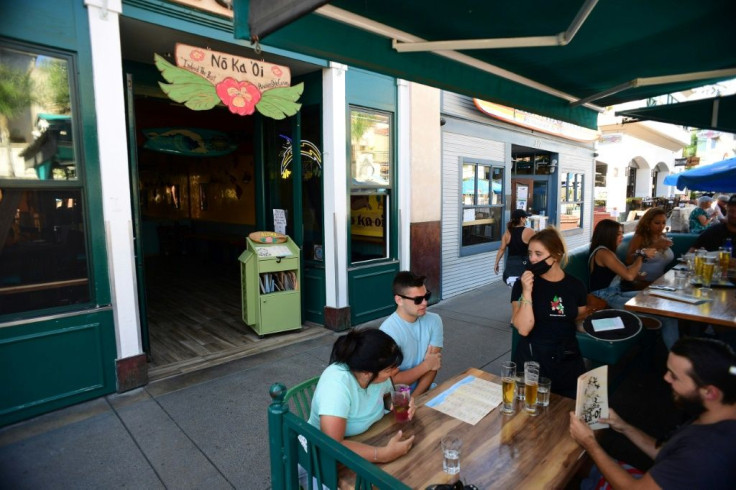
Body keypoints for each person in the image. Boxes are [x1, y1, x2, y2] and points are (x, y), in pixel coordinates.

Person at [569, 337, 736, 489]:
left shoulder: (703, 455)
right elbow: (668, 452)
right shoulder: (715, 414)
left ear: (709, 392)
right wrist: (624, 427)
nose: (665, 378)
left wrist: (589, 442)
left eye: (674, 376)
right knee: (587, 466)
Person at [308, 328, 415, 464]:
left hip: (367, 439)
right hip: (320, 458)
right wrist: (383, 454)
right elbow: (333, 445)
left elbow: (384, 396)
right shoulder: (336, 386)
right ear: (366, 373)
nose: (395, 372)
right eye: (390, 369)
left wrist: (398, 404)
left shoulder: (376, 376)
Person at [510, 227, 586, 398]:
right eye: (530, 254)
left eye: (538, 254)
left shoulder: (576, 286)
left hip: (567, 361)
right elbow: (523, 328)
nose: (532, 259)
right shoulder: (521, 284)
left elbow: (578, 317)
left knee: (567, 415)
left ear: (557, 255)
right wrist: (527, 292)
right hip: (532, 361)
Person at [624, 209, 681, 348]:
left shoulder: (663, 236)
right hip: (641, 284)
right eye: (657, 223)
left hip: (660, 284)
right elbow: (629, 258)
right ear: (648, 223)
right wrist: (654, 246)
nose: (661, 226)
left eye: (663, 223)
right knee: (673, 309)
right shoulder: (640, 237)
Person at [380, 271, 443, 396]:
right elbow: (391, 381)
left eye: (426, 296)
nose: (425, 303)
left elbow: (434, 365)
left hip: (424, 393)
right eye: (418, 300)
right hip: (395, 400)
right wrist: (426, 365)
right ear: (399, 300)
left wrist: (415, 399)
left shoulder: (435, 320)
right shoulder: (387, 333)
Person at [588, 219, 654, 310]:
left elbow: (623, 272)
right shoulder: (603, 252)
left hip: (615, 293)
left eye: (622, 233)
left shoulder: (607, 251)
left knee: (652, 296)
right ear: (608, 235)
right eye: (618, 234)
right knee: (651, 306)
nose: (622, 236)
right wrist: (641, 255)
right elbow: (629, 276)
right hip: (604, 298)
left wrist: (637, 275)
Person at [494, 209, 535, 286]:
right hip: (524, 267)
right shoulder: (529, 231)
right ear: (521, 219)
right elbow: (538, 246)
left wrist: (496, 263)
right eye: (525, 218)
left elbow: (502, 249)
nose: (526, 220)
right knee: (526, 291)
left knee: (515, 290)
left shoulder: (507, 233)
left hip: (511, 267)